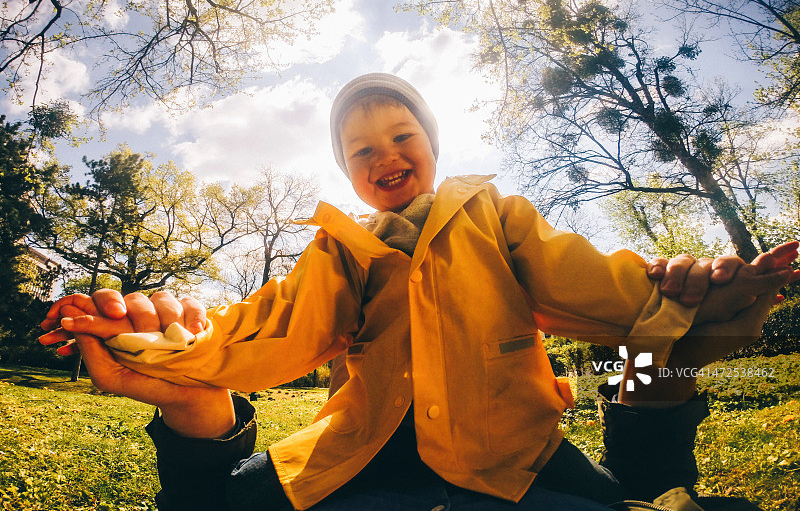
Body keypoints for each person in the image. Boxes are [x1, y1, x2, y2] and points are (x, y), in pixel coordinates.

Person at [41, 73, 798, 510]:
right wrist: (183, 356)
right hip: (358, 450)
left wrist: (683, 297)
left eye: (403, 135)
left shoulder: (493, 215)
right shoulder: (343, 245)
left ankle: (655, 406)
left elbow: (590, 284)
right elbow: (280, 324)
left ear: (434, 146)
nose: (386, 154)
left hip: (512, 452)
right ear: (348, 174)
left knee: (640, 478)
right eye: (361, 149)